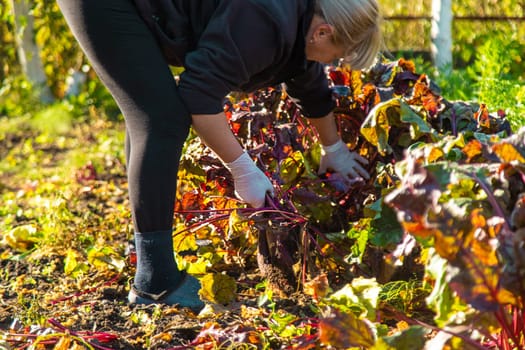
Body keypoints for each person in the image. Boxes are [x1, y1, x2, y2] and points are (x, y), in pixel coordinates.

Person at [57, 0, 382, 310]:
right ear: (322, 32)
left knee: (151, 111)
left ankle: (144, 252)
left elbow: (309, 86)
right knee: (161, 118)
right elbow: (198, 96)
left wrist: (334, 148)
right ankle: (155, 282)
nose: (331, 64)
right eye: (336, 56)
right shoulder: (265, 19)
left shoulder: (299, 17)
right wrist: (242, 169)